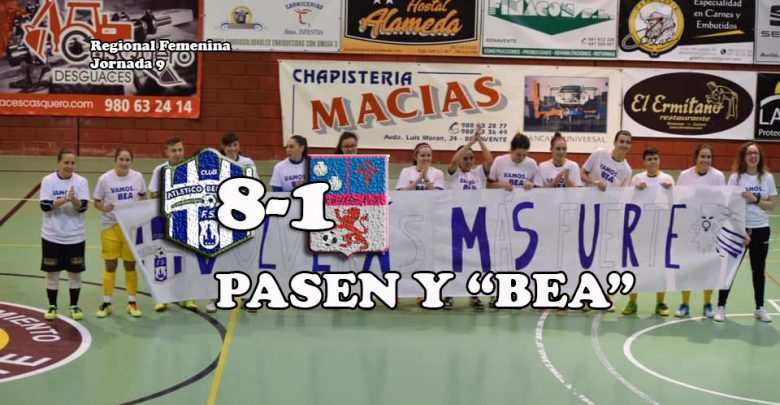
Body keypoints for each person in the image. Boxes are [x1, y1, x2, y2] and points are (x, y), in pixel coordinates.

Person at [715, 142, 776, 323]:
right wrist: (741, 231)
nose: (753, 156)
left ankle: (759, 308)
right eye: (749, 153)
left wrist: (754, 199)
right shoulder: (736, 178)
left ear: (759, 156)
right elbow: (729, 206)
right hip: (738, 231)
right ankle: (721, 306)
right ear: (744, 156)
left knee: (758, 271)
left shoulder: (767, 178)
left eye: (755, 153)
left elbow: (771, 205)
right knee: (729, 270)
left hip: (761, 229)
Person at [204, 133, 258, 314]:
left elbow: (255, 186)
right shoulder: (215, 164)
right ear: (223, 147)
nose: (233, 148)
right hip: (222, 218)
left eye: (235, 145)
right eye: (229, 146)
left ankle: (248, 297)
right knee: (221, 259)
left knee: (245, 259)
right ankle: (215, 297)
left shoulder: (248, 163)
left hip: (245, 218)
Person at [581, 130, 632, 311]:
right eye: (621, 141)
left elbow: (622, 196)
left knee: (606, 256)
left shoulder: (627, 170)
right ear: (615, 142)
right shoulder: (599, 154)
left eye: (627, 142)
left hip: (609, 217)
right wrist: (594, 183)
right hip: (589, 211)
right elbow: (582, 174)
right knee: (588, 254)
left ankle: (607, 295)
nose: (624, 145)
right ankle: (586, 294)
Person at [94, 148, 147, 318]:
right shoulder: (105, 179)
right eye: (121, 159)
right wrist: (104, 208)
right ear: (115, 160)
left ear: (131, 161)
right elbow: (96, 201)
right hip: (110, 227)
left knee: (130, 265)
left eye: (127, 160)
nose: (124, 163)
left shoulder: (138, 177)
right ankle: (106, 302)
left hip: (131, 228)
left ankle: (132, 302)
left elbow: (143, 197)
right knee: (110, 265)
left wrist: (139, 210)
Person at [148, 137, 199, 312]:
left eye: (180, 150)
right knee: (163, 260)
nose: (177, 153)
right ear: (167, 152)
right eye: (174, 150)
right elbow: (152, 194)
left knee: (187, 261)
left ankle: (188, 297)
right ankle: (162, 297)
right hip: (164, 222)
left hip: (186, 221)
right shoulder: (159, 170)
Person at [533, 133, 582, 315]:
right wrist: (555, 181)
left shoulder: (573, 166)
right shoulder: (542, 167)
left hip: (567, 220)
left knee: (564, 260)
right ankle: (545, 295)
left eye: (564, 149)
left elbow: (578, 192)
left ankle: (564, 297)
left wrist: (566, 179)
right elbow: (538, 193)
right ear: (551, 150)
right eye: (558, 148)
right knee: (547, 259)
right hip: (548, 219)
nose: (561, 152)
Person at [622, 148, 674, 317]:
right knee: (634, 266)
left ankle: (660, 302)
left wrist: (671, 190)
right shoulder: (637, 179)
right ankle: (632, 302)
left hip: (660, 231)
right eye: (649, 159)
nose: (653, 161)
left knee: (660, 267)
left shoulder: (667, 179)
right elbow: (628, 202)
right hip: (640, 230)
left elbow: (674, 204)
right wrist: (635, 190)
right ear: (644, 162)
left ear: (659, 160)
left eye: (655, 158)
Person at [675, 144, 725, 318]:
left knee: (708, 267)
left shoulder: (718, 176)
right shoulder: (684, 176)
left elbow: (721, 202)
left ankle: (707, 304)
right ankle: (684, 304)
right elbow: (678, 200)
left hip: (710, 230)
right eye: (702, 156)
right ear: (696, 158)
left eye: (709, 157)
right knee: (687, 267)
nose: (706, 160)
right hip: (689, 229)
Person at [39, 149, 89, 321]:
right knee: (52, 273)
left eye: (72, 163)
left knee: (75, 273)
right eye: (66, 162)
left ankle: (74, 305)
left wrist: (74, 200)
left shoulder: (81, 181)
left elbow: (83, 207)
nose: (69, 166)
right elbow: (45, 206)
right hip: (52, 236)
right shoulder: (48, 180)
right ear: (58, 163)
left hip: (75, 236)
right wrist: (65, 199)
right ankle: (52, 306)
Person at [448, 126, 492, 309]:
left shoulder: (479, 173)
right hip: (458, 218)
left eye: (471, 158)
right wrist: (468, 144)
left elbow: (489, 160)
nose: (468, 161)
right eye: (465, 158)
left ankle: (474, 294)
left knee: (475, 257)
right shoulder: (455, 174)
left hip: (477, 218)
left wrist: (479, 141)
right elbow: (453, 161)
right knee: (456, 257)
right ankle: (449, 293)